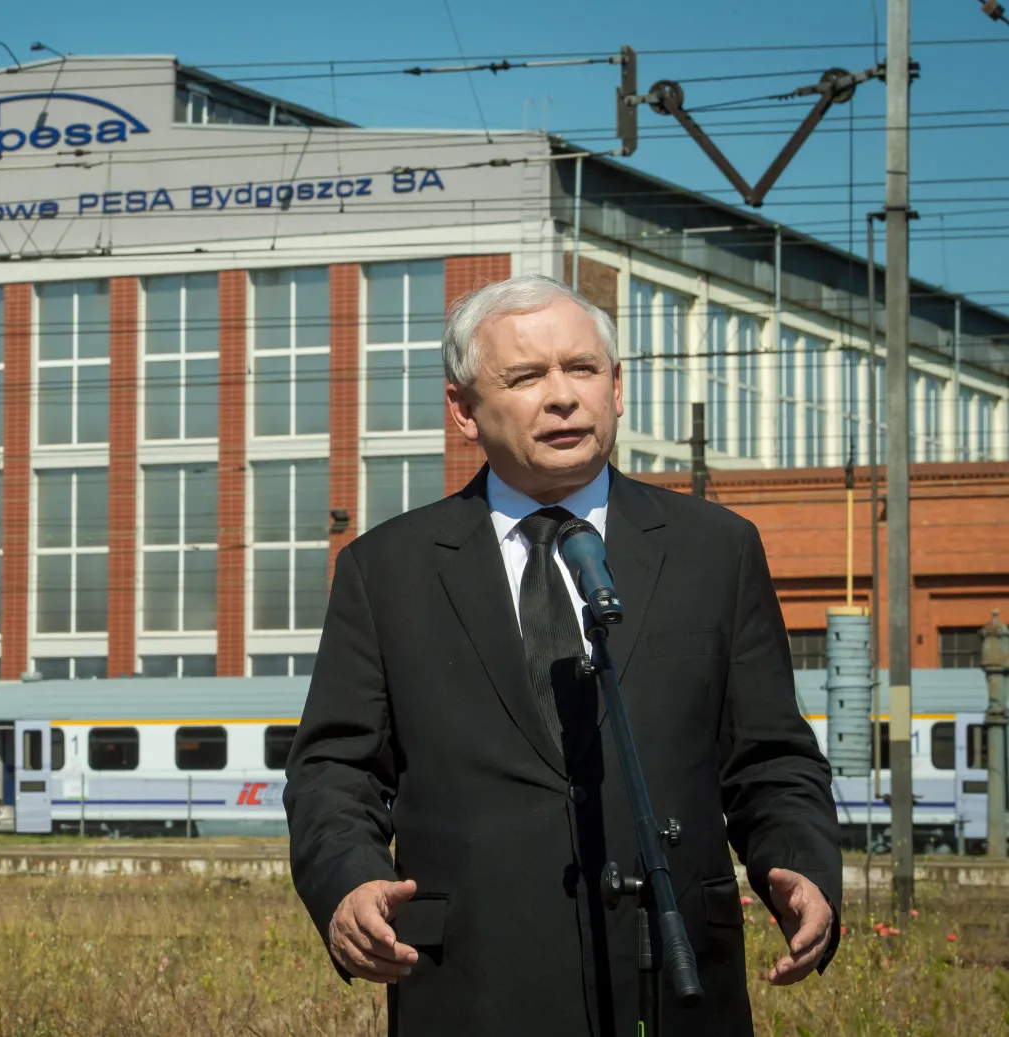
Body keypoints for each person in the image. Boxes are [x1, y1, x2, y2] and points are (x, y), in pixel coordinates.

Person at [284, 274, 842, 1036]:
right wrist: (349, 883)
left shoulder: (717, 551)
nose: (562, 397)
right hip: (472, 993)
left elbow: (771, 758)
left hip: (671, 985)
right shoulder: (386, 572)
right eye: (525, 377)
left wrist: (804, 865)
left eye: (582, 368)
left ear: (617, 387)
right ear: (462, 410)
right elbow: (333, 771)